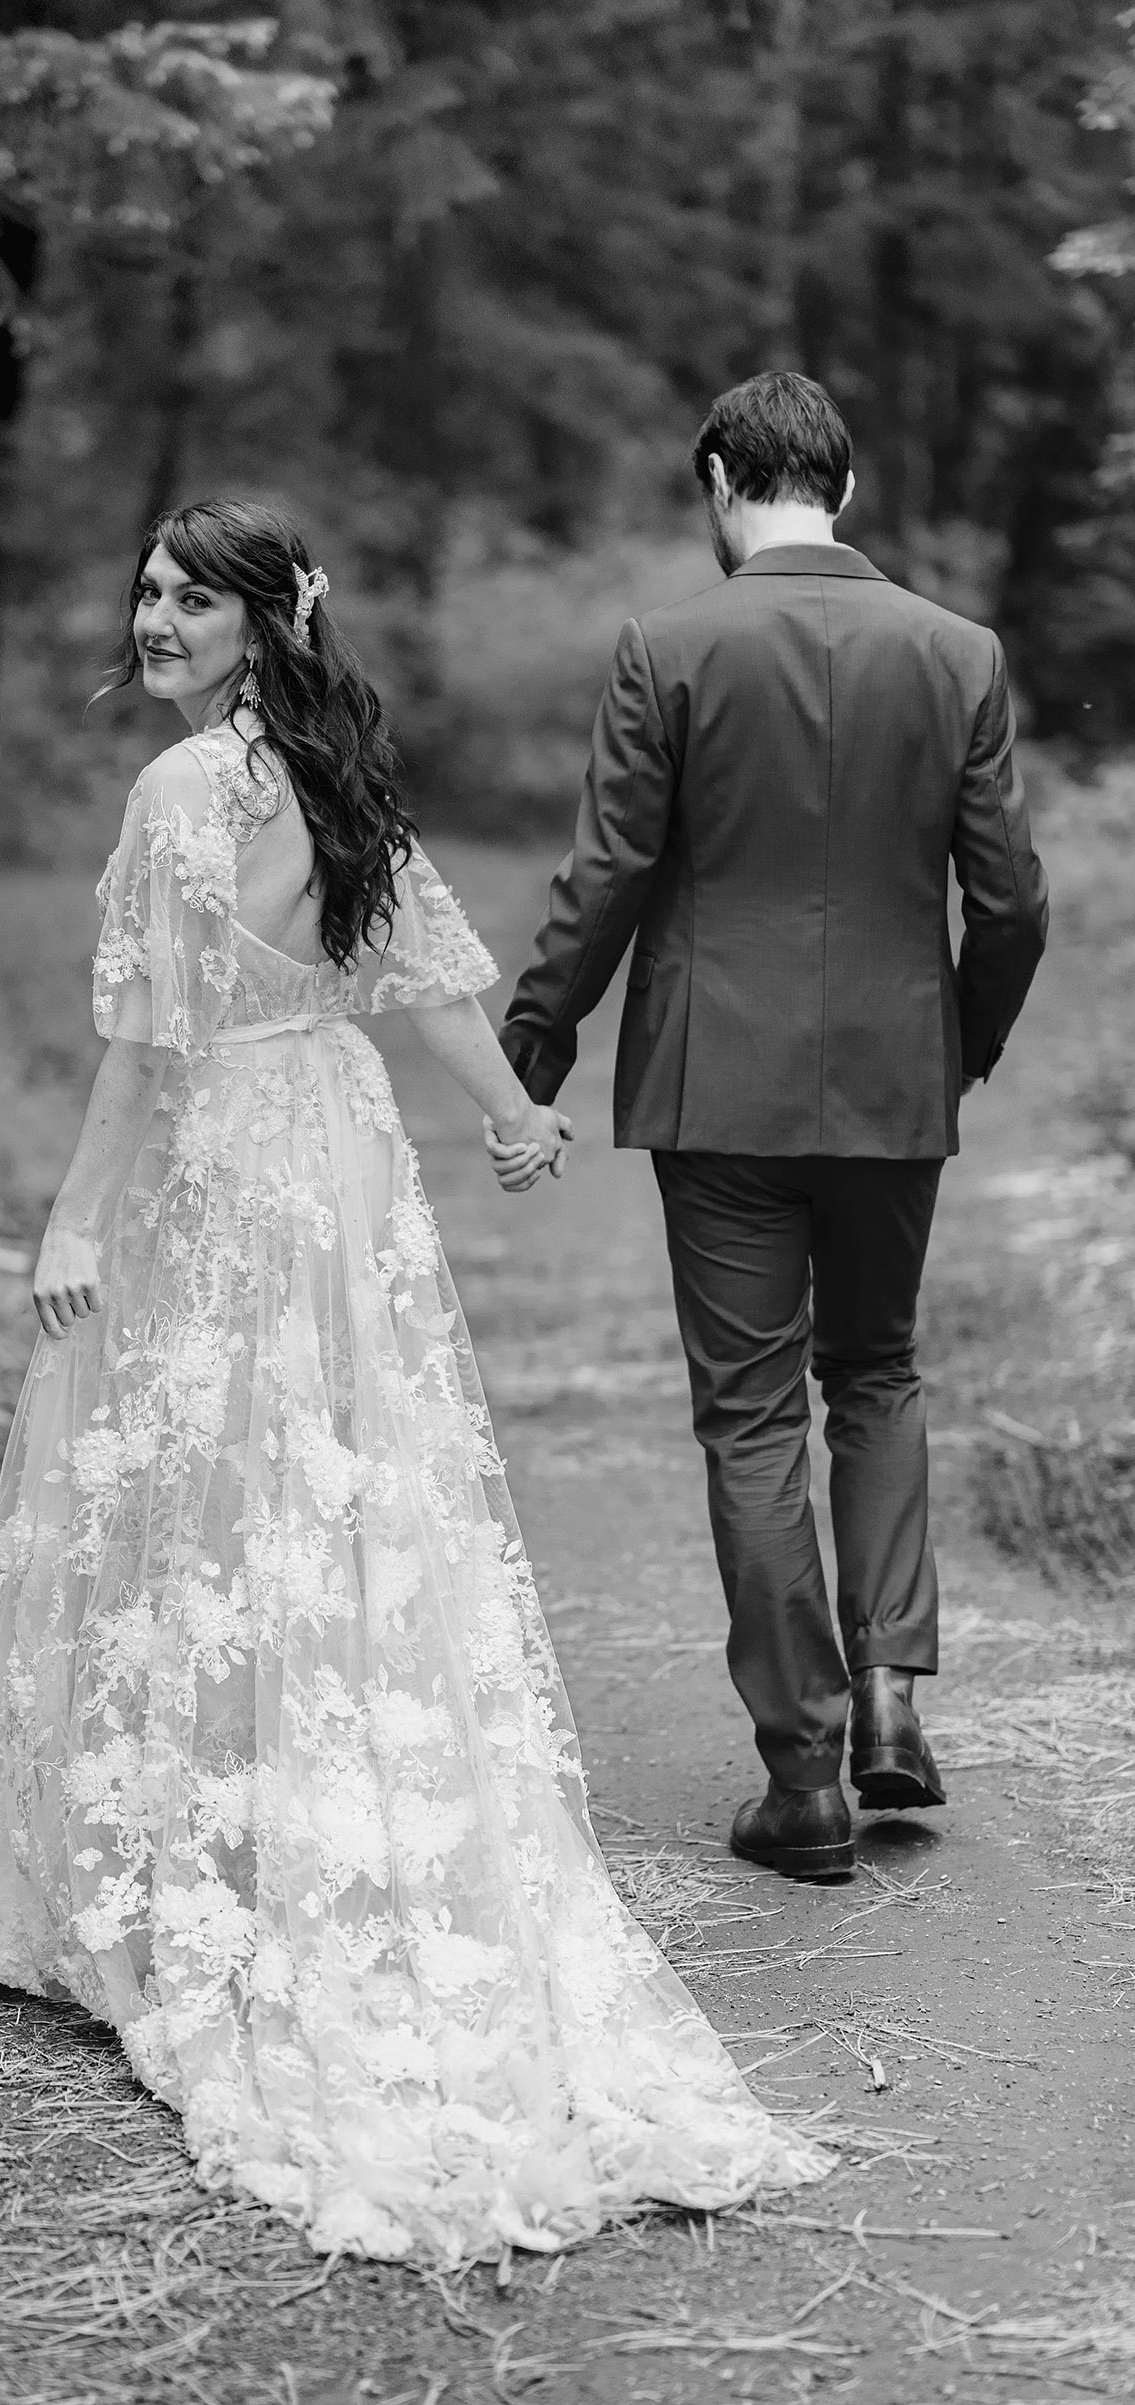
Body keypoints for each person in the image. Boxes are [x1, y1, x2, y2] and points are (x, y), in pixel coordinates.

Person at [0, 497, 828, 2261]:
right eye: (151, 589)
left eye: (194, 596)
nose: (159, 614)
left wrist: (75, 1221)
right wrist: (507, 1114)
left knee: (209, 1472)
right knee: (317, 1463)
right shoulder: (335, 773)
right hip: (333, 1150)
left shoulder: (184, 795)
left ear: (270, 617)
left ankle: (201, 1837)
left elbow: (148, 1037)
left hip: (225, 1150)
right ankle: (257, 1807)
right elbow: (414, 987)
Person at [493, 372, 1049, 1883]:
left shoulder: (667, 649)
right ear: (847, 489)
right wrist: (961, 1042)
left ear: (724, 481)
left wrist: (528, 1055)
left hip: (716, 1092)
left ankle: (803, 1777)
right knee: (874, 1370)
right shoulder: (957, 654)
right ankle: (890, 1690)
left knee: (749, 1415)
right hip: (892, 1084)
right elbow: (1009, 900)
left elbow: (604, 874)